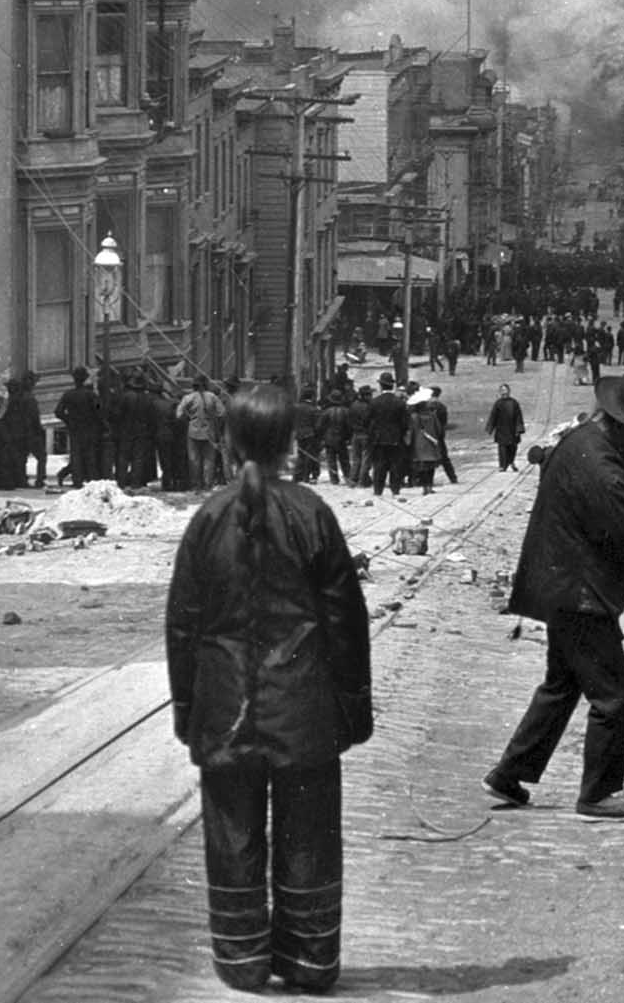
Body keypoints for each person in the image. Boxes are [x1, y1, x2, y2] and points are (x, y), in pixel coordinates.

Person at [165, 383, 373, 993]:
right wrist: (354, 707)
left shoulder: (207, 520)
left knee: (232, 838)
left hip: (223, 708)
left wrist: (187, 710)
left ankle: (242, 963)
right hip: (305, 710)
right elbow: (346, 623)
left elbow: (182, 626)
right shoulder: (313, 514)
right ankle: (310, 965)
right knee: (309, 836)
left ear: (227, 442)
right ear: (290, 443)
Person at [482, 370, 624, 822]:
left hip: (560, 583)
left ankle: (510, 774)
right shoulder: (604, 468)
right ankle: (597, 795)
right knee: (613, 693)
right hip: (581, 590)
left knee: (562, 684)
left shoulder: (581, 441)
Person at [178, 374, 226, 491]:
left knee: (194, 460)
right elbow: (222, 413)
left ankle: (196, 485)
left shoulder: (188, 398)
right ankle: (207, 485)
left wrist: (190, 417)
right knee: (209, 460)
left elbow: (179, 415)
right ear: (206, 384)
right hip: (209, 432)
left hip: (193, 432)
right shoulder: (213, 397)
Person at [56, 366, 102, 487]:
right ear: (85, 378)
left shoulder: (68, 394)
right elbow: (98, 412)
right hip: (89, 428)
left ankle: (77, 480)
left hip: (75, 428)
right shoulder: (91, 395)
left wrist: (69, 420)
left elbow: (58, 411)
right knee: (90, 455)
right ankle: (91, 481)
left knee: (76, 455)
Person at [366, 373, 409, 497]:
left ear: (380, 385)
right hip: (396, 438)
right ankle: (395, 489)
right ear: (392, 385)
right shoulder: (399, 403)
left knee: (379, 465)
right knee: (395, 465)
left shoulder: (374, 402)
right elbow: (405, 423)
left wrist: (372, 433)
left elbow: (367, 421)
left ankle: (378, 490)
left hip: (378, 439)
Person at [406, 388, 444, 494]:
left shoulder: (414, 417)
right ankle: (430, 486)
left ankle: (424, 487)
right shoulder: (432, 416)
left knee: (422, 467)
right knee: (431, 466)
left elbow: (410, 431)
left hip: (418, 444)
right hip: (431, 443)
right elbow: (439, 430)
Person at [485, 383, 525, 471]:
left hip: (512, 429)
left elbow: (519, 416)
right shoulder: (498, 403)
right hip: (501, 430)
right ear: (500, 392)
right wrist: (490, 428)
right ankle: (502, 465)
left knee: (513, 447)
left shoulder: (514, 403)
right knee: (502, 448)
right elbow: (493, 416)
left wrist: (519, 429)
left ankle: (511, 461)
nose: (504, 392)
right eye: (502, 390)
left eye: (505, 390)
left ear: (509, 391)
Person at [319, 389, 352, 485]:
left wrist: (322, 437)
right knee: (344, 460)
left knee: (331, 459)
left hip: (329, 439)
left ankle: (334, 479)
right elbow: (349, 426)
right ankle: (347, 476)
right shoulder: (346, 411)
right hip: (342, 438)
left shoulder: (326, 412)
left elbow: (320, 426)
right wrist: (348, 438)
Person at [430, 385, 458, 484]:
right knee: (445, 459)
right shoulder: (442, 407)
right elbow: (444, 423)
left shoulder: (427, 407)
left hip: (430, 435)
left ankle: (428, 481)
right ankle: (453, 477)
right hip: (440, 435)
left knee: (430, 459)